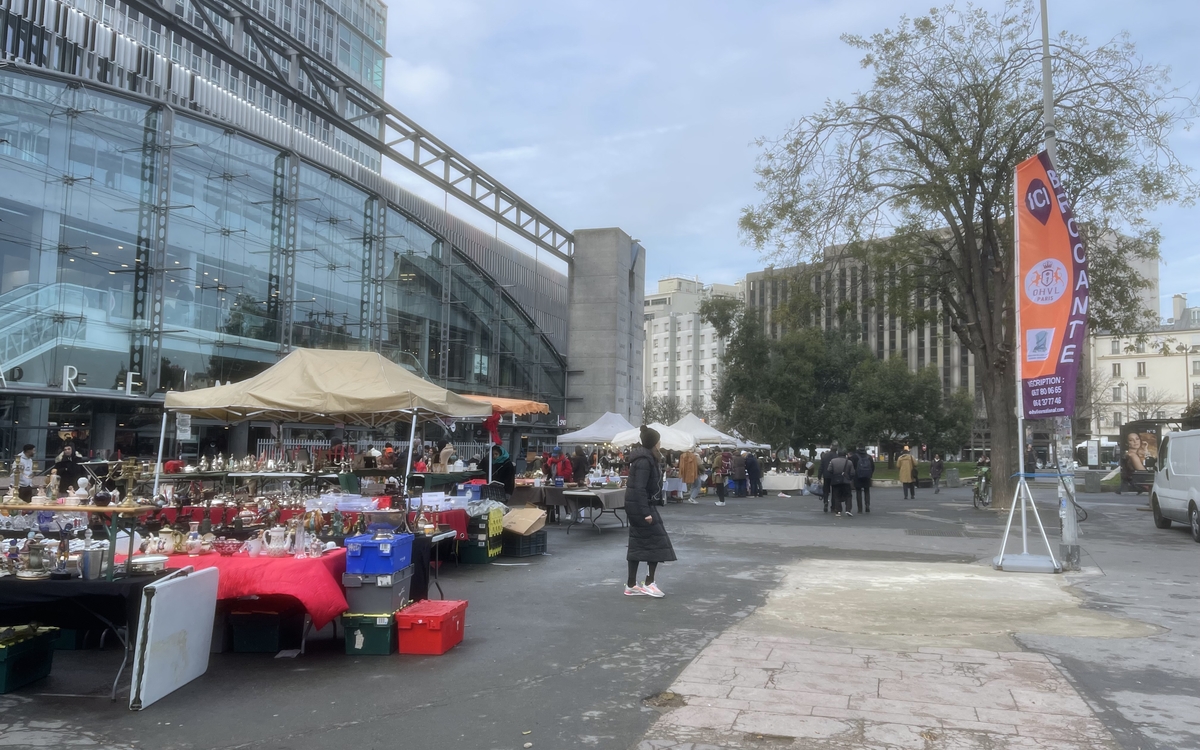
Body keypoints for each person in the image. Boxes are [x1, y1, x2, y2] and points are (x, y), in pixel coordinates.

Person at [623, 425, 676, 598]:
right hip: (641, 507)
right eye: (658, 440)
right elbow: (640, 488)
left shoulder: (643, 458)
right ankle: (649, 582)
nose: (660, 443)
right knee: (657, 541)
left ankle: (631, 584)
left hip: (636, 506)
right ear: (653, 443)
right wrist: (646, 512)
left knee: (638, 543)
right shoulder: (645, 461)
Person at [826, 449, 855, 517]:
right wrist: (849, 478)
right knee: (848, 495)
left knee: (836, 496)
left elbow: (829, 470)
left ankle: (838, 510)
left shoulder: (833, 461)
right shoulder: (849, 462)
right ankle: (848, 509)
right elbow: (852, 472)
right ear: (845, 454)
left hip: (836, 481)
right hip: (846, 481)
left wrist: (834, 475)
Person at [854, 447, 874, 513]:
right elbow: (873, 467)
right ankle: (867, 505)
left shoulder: (855, 457)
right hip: (867, 477)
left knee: (858, 492)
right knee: (867, 491)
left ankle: (860, 508)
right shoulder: (869, 457)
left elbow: (853, 466)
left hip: (858, 477)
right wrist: (870, 474)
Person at [818, 448, 835, 512]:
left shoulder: (825, 456)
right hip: (834, 475)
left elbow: (821, 466)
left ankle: (825, 501)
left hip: (826, 475)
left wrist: (819, 475)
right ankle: (833, 505)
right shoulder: (836, 456)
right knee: (834, 491)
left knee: (826, 490)